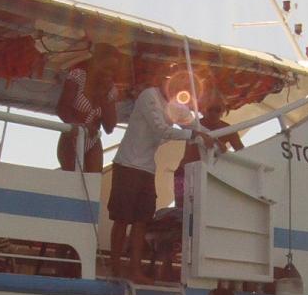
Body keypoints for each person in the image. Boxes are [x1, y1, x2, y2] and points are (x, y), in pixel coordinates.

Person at [108, 65, 194, 282]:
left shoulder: (173, 106)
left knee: (141, 222)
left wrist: (207, 130)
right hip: (127, 165)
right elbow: (161, 129)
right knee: (121, 220)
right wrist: (196, 135)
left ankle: (135, 271)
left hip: (147, 169)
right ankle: (115, 267)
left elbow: (193, 121)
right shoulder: (149, 96)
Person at [172, 86, 245, 203]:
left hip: (211, 175)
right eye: (210, 109)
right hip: (185, 172)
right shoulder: (194, 124)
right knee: (182, 211)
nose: (213, 113)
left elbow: (242, 153)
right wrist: (216, 142)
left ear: (223, 110)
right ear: (203, 109)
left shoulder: (227, 129)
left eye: (217, 109)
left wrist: (225, 154)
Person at [55, 60, 117, 172]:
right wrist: (80, 127)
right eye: (104, 73)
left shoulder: (110, 90)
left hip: (93, 140)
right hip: (72, 137)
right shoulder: (78, 76)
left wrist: (104, 98)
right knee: (72, 178)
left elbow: (109, 127)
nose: (107, 77)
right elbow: (61, 109)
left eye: (110, 74)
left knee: (93, 181)